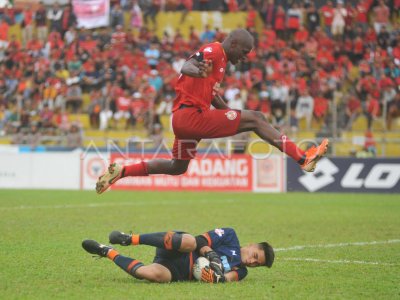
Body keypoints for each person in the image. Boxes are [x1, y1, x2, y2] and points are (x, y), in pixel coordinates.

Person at [96, 29, 329, 194]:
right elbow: (186, 66)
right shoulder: (214, 51)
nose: (245, 57)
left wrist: (230, 116)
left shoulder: (220, 63)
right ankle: (302, 157)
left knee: (177, 167)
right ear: (234, 44)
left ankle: (122, 171)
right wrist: (200, 73)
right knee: (257, 118)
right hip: (191, 117)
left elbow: (212, 96)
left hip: (185, 120)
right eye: (245, 51)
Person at [82, 227, 274, 283]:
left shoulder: (241, 271)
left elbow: (226, 279)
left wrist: (214, 277)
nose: (251, 262)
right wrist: (211, 254)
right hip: (178, 247)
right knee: (190, 241)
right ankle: (130, 239)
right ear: (251, 245)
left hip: (177, 271)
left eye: (256, 264)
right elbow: (200, 241)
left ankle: (106, 251)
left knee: (153, 275)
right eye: (255, 256)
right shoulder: (230, 236)